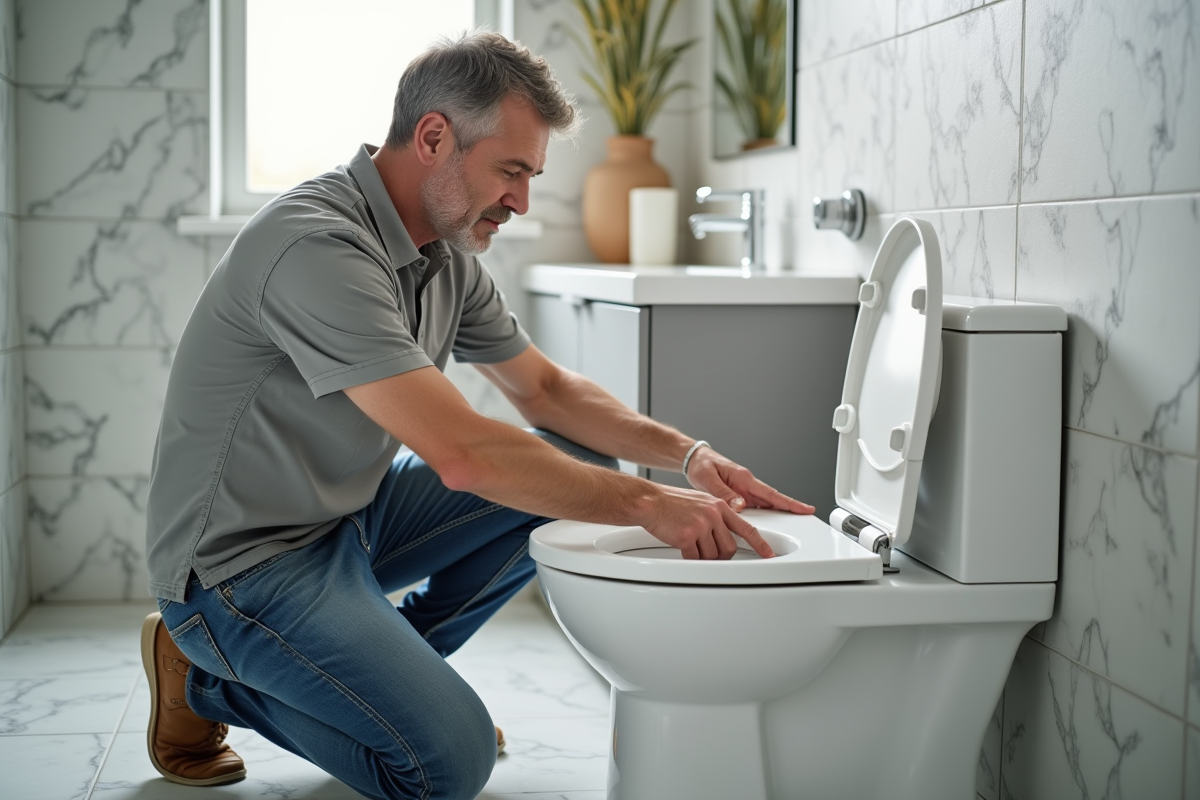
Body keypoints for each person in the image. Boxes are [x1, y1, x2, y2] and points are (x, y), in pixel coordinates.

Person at [140, 30, 813, 800]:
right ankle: (202, 680)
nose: (522, 202)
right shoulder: (316, 246)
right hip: (242, 568)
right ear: (434, 138)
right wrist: (650, 503)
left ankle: (394, 690)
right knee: (446, 766)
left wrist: (687, 455)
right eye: (512, 171)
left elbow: (549, 393)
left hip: (347, 521)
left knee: (583, 466)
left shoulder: (447, 251)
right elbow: (464, 453)